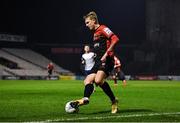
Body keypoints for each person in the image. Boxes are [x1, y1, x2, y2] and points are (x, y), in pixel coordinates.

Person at [71, 11, 119, 114]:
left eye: (88, 22)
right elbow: (99, 47)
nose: (86, 25)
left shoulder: (103, 28)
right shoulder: (94, 34)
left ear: (93, 20)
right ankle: (85, 99)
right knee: (87, 80)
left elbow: (115, 38)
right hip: (97, 62)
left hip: (107, 60)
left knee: (97, 81)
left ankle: (114, 101)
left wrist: (107, 54)